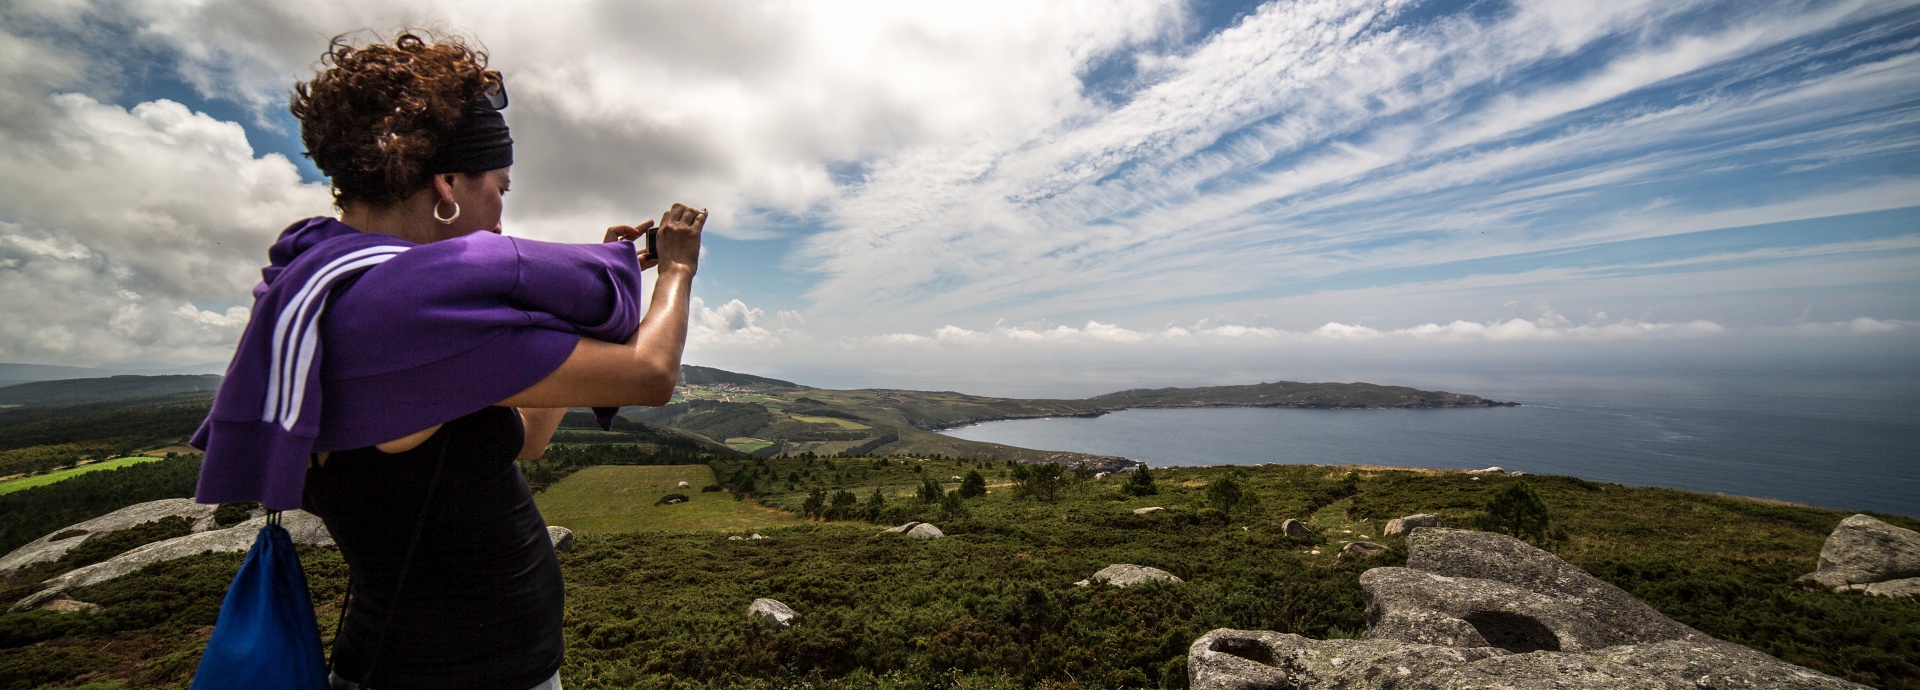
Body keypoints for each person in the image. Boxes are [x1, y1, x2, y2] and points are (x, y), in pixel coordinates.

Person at [187, 32, 703, 690]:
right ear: (448, 184)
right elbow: (652, 376)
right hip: (459, 675)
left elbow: (529, 439)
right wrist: (677, 271)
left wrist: (584, 312)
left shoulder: (322, 290)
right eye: (500, 187)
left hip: (411, 662)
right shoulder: (405, 319)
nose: (500, 215)